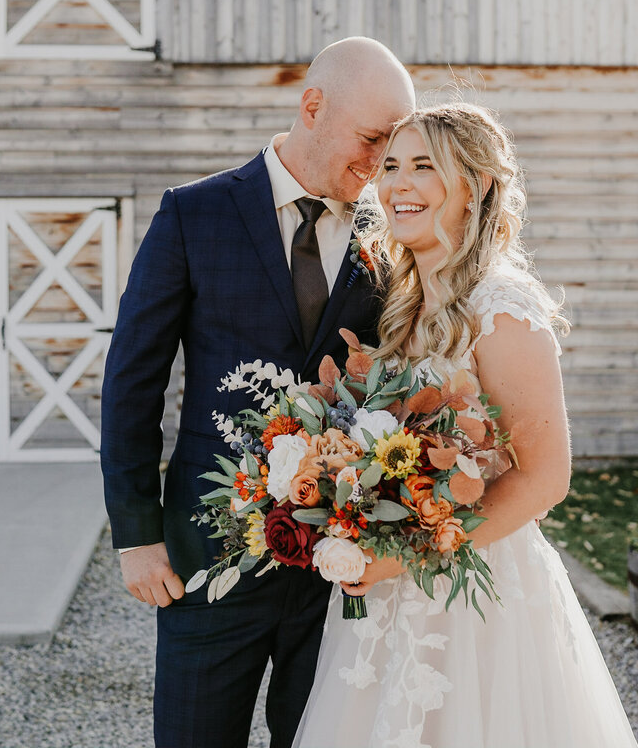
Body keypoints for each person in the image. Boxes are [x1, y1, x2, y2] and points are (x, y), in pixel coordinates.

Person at [292, 103, 638, 748]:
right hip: (386, 594)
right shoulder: (402, 306)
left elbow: (544, 478)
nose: (398, 183)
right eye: (390, 166)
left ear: (475, 186)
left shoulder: (501, 309)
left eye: (425, 167)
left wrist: (402, 558)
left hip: (476, 595)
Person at [101, 37, 416, 748]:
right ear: (312, 107)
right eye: (373, 140)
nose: (380, 166)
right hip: (207, 555)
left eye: (395, 148)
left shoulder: (389, 237)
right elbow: (132, 382)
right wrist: (137, 536)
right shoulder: (193, 215)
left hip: (338, 560)